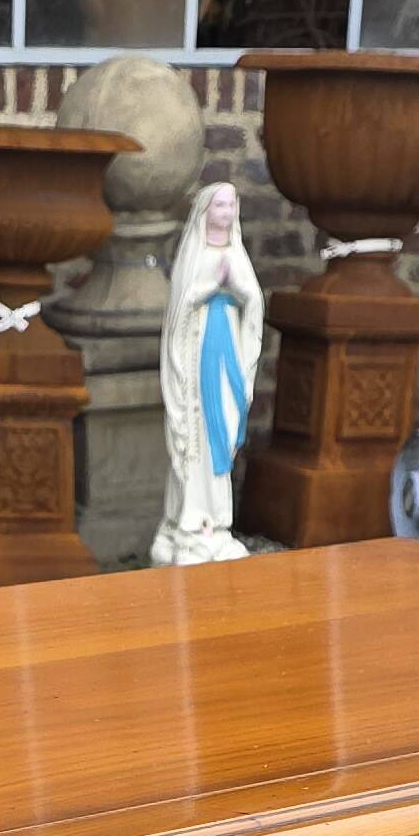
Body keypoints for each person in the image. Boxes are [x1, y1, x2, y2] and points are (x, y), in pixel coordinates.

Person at [154, 180, 263, 567]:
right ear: (206, 211)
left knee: (225, 433)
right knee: (197, 438)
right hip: (198, 361)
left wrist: (239, 292)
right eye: (220, 204)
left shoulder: (236, 253)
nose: (227, 212)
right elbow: (181, 306)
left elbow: (254, 301)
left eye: (232, 204)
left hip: (228, 358)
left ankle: (217, 524)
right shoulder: (195, 254)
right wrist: (206, 289)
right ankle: (191, 521)